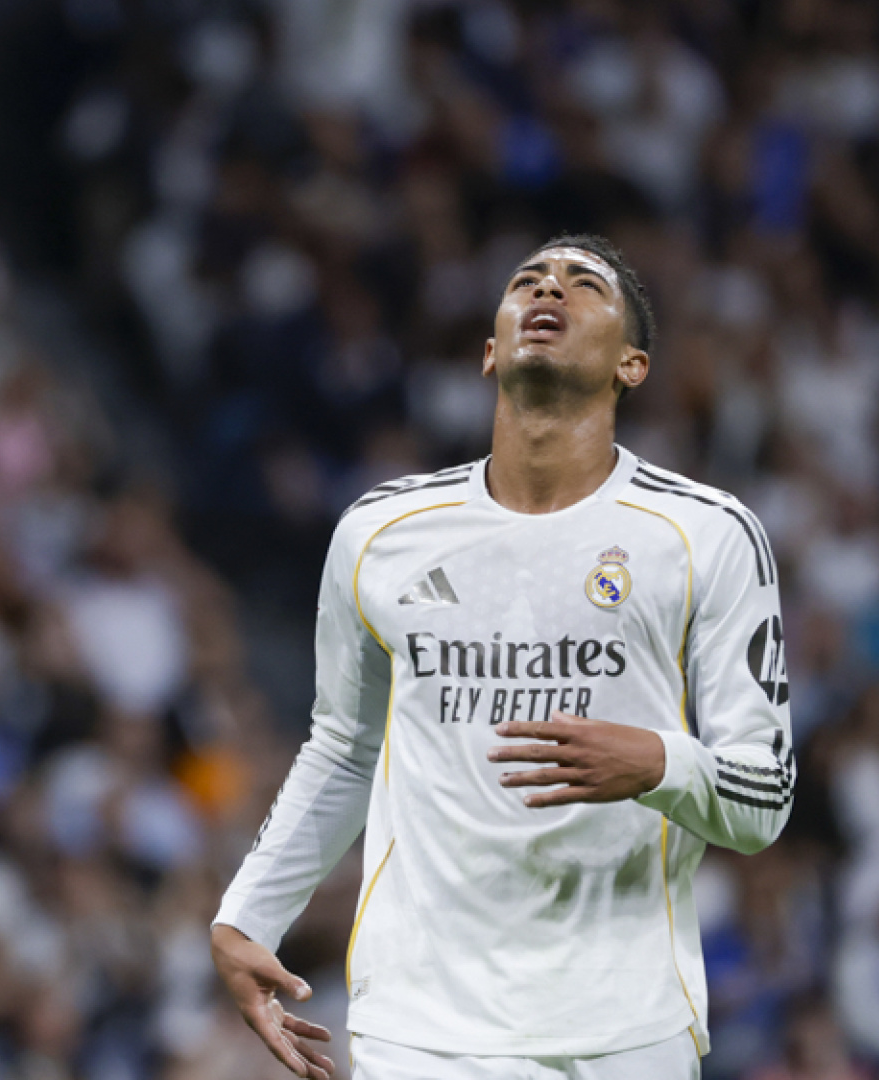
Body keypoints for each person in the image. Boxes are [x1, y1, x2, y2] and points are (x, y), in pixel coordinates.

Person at [209, 234, 795, 1079]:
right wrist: (248, 913)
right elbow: (346, 747)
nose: (548, 289)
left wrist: (659, 763)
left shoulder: (707, 534)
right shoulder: (380, 534)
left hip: (624, 1027)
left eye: (584, 284)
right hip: (423, 1029)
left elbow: (764, 796)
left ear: (632, 364)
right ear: (491, 351)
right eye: (528, 281)